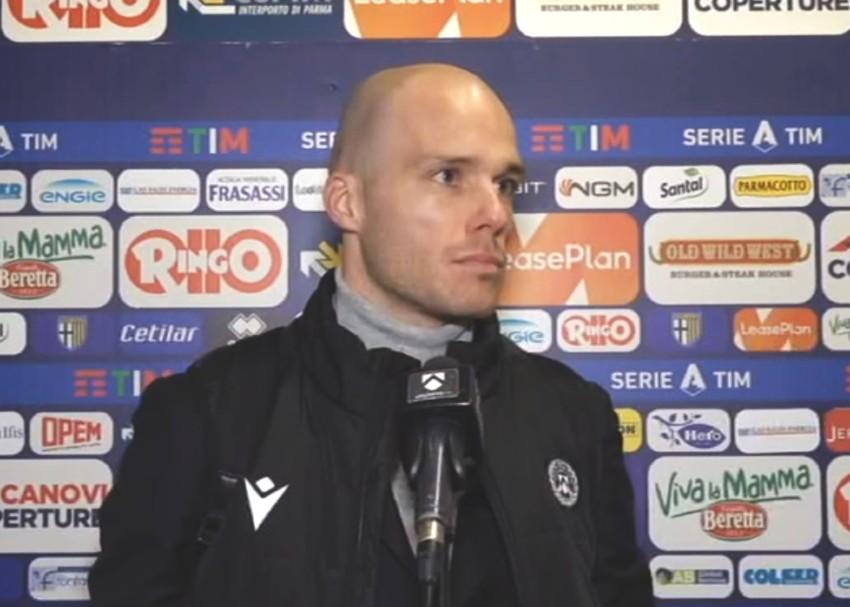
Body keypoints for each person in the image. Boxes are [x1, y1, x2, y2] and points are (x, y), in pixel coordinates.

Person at [90, 63, 654, 607]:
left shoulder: (573, 415)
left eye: (505, 184)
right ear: (348, 202)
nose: (496, 214)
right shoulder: (206, 415)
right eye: (448, 176)